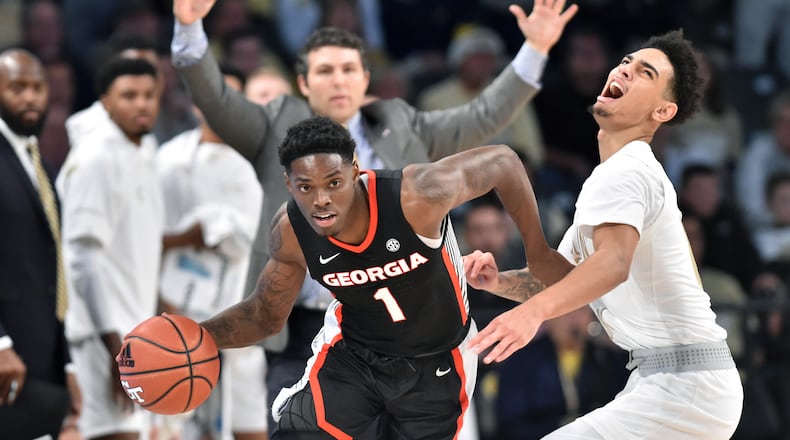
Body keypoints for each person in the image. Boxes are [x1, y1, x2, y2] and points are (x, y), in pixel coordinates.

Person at [177, 115, 572, 439]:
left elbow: (503, 161)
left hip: (438, 362)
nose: (321, 200)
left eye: (333, 183)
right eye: (305, 187)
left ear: (354, 170)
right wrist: (194, 338)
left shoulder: (415, 196)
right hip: (354, 358)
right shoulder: (291, 231)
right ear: (288, 185)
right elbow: (264, 316)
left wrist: (537, 252)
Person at [464, 30, 744, 439]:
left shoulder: (628, 169)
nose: (626, 70)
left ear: (664, 111)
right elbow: (565, 283)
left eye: (645, 72)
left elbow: (612, 264)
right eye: (627, 61)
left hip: (686, 383)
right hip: (673, 379)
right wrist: (499, 282)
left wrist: (533, 313)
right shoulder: (613, 174)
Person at [157, 64, 267, 440]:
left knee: (249, 423)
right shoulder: (168, 160)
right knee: (178, 423)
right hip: (177, 310)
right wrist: (188, 238)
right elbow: (147, 239)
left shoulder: (265, 163)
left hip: (245, 317)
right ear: (197, 103)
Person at [57, 56, 163, 440]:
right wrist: (118, 351)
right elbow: (83, 258)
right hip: (101, 343)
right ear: (105, 102)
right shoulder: (95, 157)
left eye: (149, 95)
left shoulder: (144, 150)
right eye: (129, 95)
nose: (141, 104)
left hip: (132, 341)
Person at [0, 48, 82, 440]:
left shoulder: (40, 165)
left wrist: (66, 364)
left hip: (41, 360)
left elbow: (54, 272)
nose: (29, 97)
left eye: (37, 87)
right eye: (17, 87)